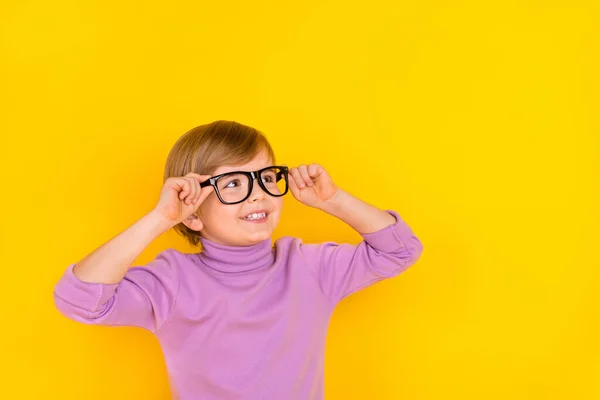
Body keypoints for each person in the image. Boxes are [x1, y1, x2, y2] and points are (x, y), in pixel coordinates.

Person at [53, 120, 424, 400]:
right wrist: (160, 219)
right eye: (233, 184)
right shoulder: (171, 282)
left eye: (264, 178)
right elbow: (79, 299)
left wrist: (333, 201)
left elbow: (402, 249)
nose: (258, 195)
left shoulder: (309, 269)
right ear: (193, 212)